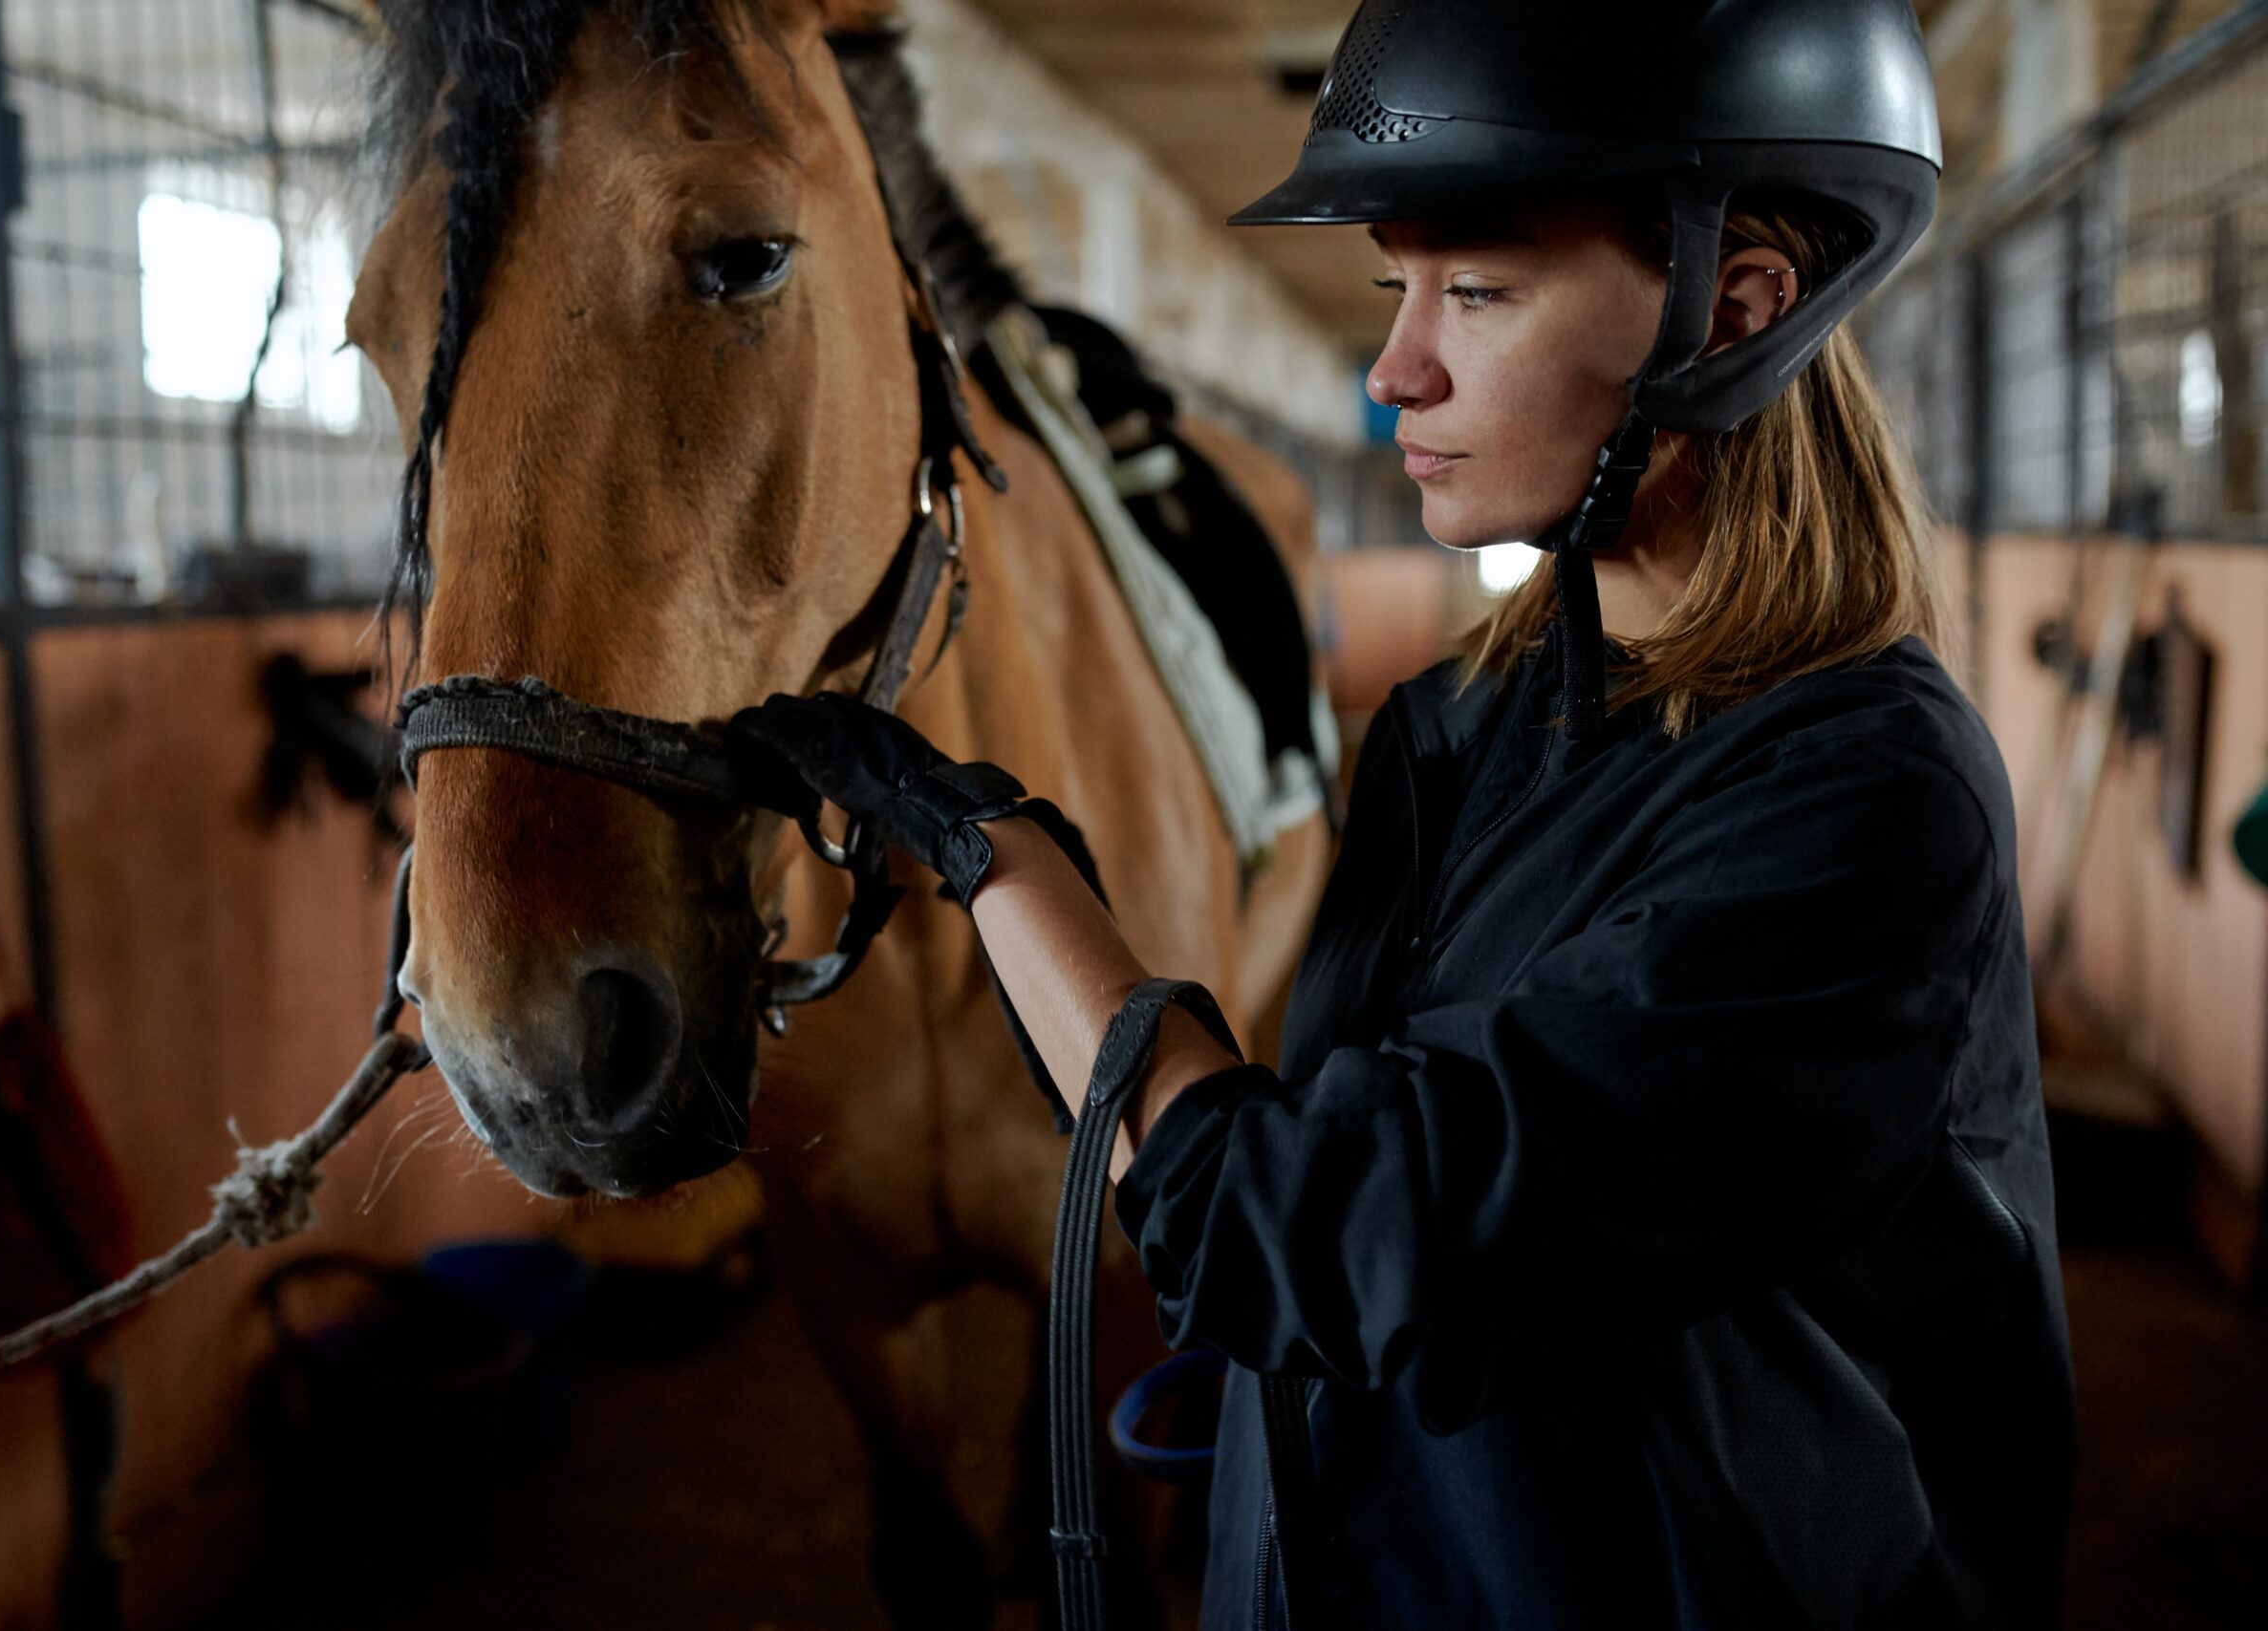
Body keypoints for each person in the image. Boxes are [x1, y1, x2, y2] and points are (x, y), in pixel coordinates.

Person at [731, 2, 2073, 1625]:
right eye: (1397, 292)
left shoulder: (1866, 800)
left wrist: (1009, 867)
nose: (1394, 370)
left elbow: (1344, 1230)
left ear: (1732, 312)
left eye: (1480, 293)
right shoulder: (1463, 730)